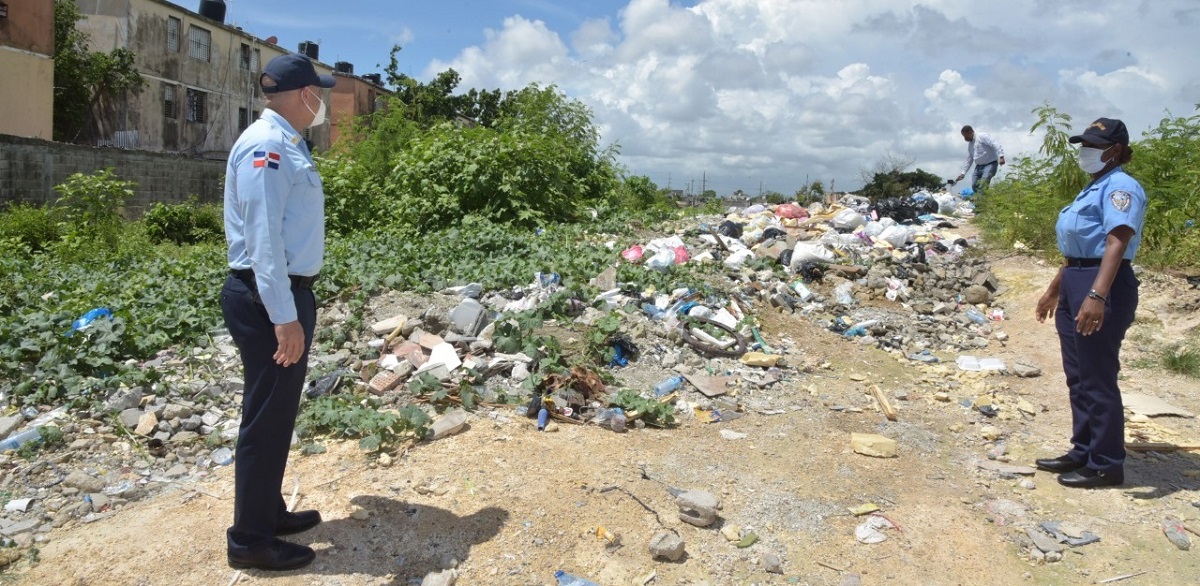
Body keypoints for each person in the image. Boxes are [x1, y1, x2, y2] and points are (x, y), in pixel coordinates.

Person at [221, 53, 334, 570]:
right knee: (266, 420)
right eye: (319, 91)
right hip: (270, 298)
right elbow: (264, 241)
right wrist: (284, 317)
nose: (323, 101)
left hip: (283, 294)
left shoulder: (287, 143)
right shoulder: (267, 146)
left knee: (275, 413)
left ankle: (267, 511)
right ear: (302, 93)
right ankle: (250, 541)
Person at [1033, 117, 1146, 488]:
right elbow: (1076, 252)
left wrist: (1097, 295)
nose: (1085, 153)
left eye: (1093, 146)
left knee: (1097, 377)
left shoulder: (1120, 188)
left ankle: (1107, 463)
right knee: (1078, 377)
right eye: (1084, 145)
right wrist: (1054, 290)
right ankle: (1083, 449)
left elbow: (1116, 241)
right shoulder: (1092, 188)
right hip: (1076, 280)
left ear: (1114, 151)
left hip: (1104, 284)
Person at [954, 125, 1005, 191]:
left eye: (965, 136)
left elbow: (995, 144)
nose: (965, 138)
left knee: (983, 184)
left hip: (990, 165)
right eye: (963, 136)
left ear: (970, 132)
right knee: (974, 185)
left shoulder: (982, 137)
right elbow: (969, 159)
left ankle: (983, 200)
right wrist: (963, 173)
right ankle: (981, 199)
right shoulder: (970, 144)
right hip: (978, 167)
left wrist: (1001, 156)